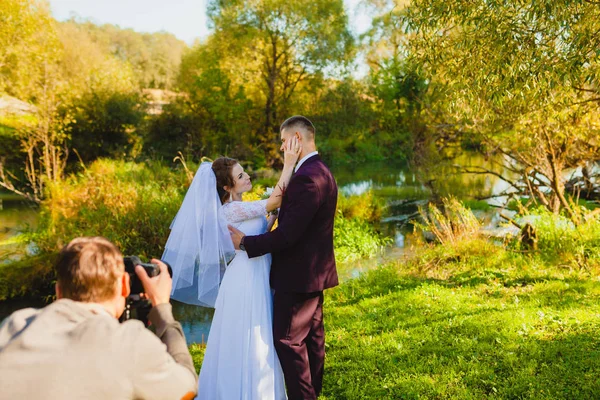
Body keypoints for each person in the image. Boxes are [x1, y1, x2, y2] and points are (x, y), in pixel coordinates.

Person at [162, 138, 301, 399]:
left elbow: (262, 225)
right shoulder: (230, 210)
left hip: (257, 272)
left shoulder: (242, 207)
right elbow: (271, 202)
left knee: (261, 333)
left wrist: (271, 218)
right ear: (227, 186)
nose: (247, 176)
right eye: (240, 175)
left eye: (244, 171)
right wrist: (289, 163)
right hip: (245, 279)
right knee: (247, 336)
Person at [0, 237, 197, 400]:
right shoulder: (128, 342)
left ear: (58, 291)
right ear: (124, 286)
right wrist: (162, 309)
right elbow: (187, 390)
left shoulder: (15, 325)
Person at [229, 115, 339, 400]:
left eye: (283, 141)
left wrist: (246, 243)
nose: (280, 148)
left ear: (296, 140)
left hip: (298, 275)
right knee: (313, 340)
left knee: (289, 342)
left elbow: (287, 235)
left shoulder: (307, 178)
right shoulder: (320, 169)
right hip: (314, 273)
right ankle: (312, 393)